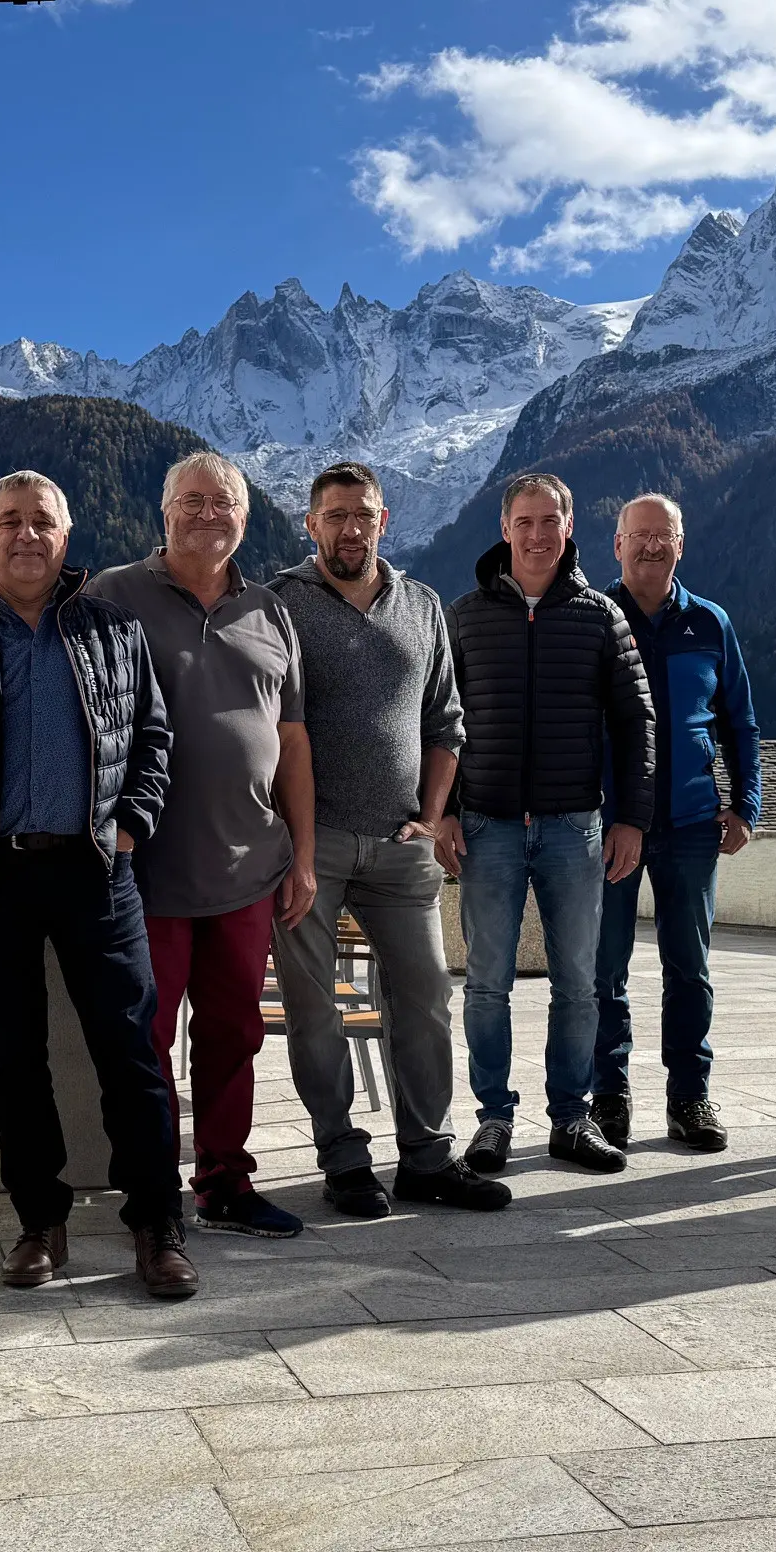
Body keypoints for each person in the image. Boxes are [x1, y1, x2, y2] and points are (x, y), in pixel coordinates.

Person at [0, 471, 197, 1299]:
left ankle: (156, 1224)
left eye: (42, 522)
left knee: (132, 1055)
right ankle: (39, 1223)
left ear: (68, 536)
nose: (27, 535)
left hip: (99, 870)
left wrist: (132, 821)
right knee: (16, 1062)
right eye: (10, 522)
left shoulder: (110, 627)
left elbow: (154, 739)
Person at [270, 462, 510, 1216]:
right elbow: (272, 724)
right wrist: (295, 839)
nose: (351, 529)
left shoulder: (423, 606)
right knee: (316, 1011)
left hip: (401, 844)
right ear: (311, 525)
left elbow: (447, 722)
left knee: (426, 998)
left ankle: (428, 1160)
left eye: (364, 515)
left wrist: (434, 816)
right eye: (335, 515)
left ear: (384, 521)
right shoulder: (280, 605)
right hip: (312, 844)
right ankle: (343, 1159)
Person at [88, 453, 316, 1237]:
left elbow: (291, 737)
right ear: (164, 512)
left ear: (244, 519)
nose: (207, 515)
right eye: (191, 501)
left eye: (223, 504)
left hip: (248, 866)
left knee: (233, 1034)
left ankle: (224, 1181)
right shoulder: (113, 595)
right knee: (145, 1043)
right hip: (143, 871)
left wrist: (305, 854)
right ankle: (152, 1191)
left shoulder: (270, 609)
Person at [446, 472, 656, 1177]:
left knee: (580, 983)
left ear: (570, 529)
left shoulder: (600, 616)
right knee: (486, 984)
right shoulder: (466, 615)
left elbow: (636, 723)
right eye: (525, 521)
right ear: (505, 528)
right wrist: (442, 811)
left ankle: (572, 1117)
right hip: (487, 824)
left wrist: (632, 819)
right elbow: (436, 723)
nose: (537, 534)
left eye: (550, 521)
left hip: (576, 826)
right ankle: (494, 1121)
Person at [592, 495, 761, 1155]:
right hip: (608, 828)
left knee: (688, 969)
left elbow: (740, 723)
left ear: (681, 545)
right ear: (617, 545)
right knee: (604, 970)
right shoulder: (594, 620)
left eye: (663, 537)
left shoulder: (711, 623)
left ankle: (690, 1098)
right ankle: (608, 1097)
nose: (651, 547)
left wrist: (746, 804)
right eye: (640, 537)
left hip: (692, 825)